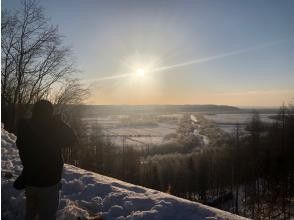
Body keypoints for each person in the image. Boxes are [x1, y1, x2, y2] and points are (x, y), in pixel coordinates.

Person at [15, 100, 77, 220]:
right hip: (49, 183)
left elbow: (23, 146)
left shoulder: (25, 127)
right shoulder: (53, 130)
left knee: (30, 214)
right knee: (47, 216)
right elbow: (72, 139)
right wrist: (59, 124)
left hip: (30, 180)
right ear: (49, 113)